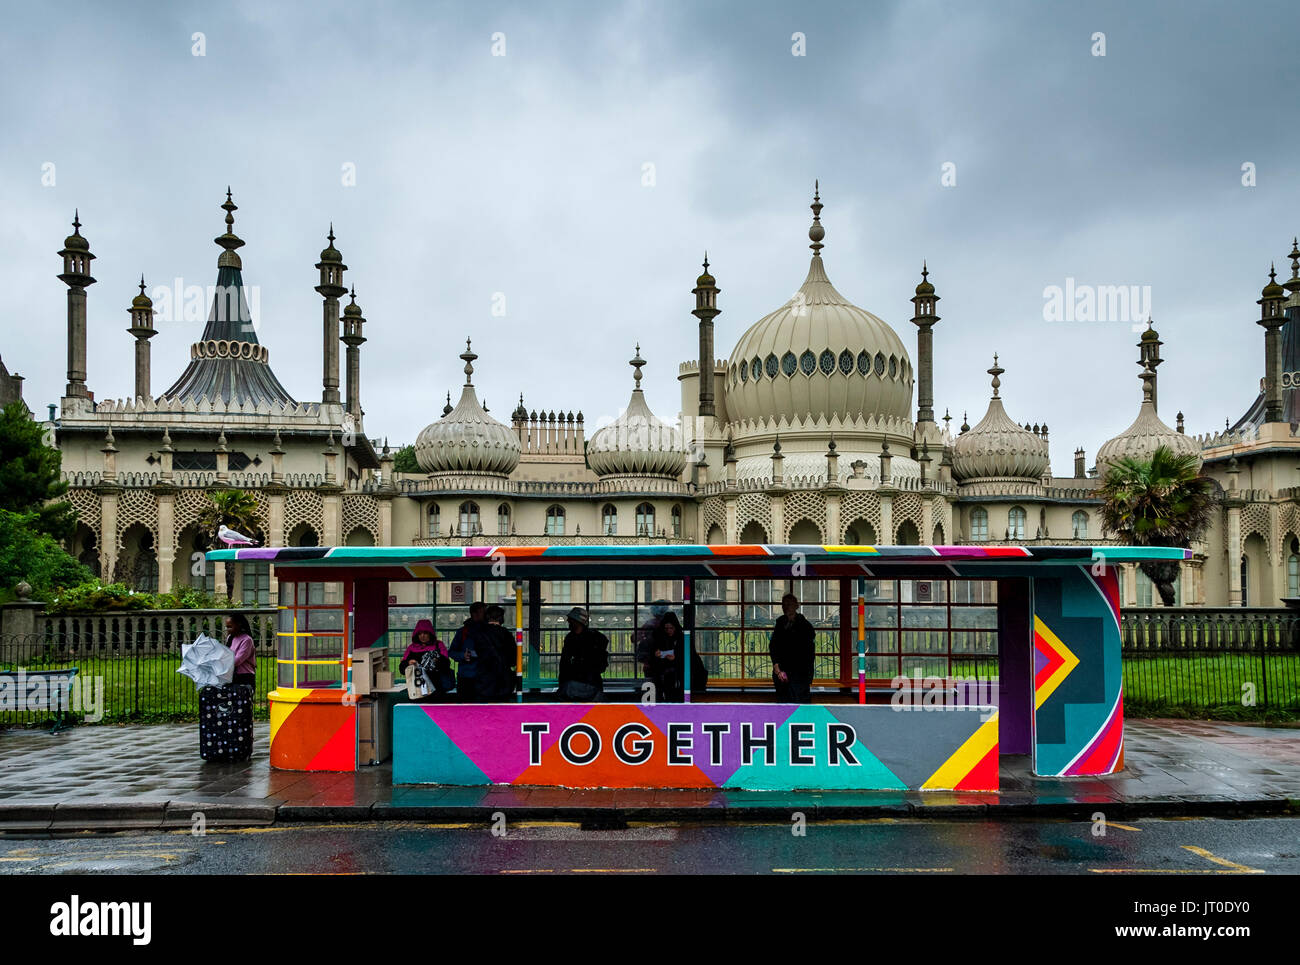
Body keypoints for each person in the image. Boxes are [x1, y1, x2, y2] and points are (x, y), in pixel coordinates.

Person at [769, 593, 815, 703]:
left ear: (796, 606)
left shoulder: (805, 626)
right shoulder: (780, 623)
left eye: (789, 604)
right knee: (783, 704)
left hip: (800, 674)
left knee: (800, 705)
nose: (786, 607)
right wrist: (776, 664)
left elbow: (807, 652)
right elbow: (773, 645)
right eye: (783, 605)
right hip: (782, 673)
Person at [556, 606, 608, 701]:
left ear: (577, 621)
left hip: (588, 685)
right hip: (586, 686)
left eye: (571, 619)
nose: (568, 621)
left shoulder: (593, 639)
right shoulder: (595, 637)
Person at [399, 618, 454, 699]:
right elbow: (402, 669)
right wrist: (408, 663)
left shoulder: (438, 645)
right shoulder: (411, 648)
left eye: (425, 633)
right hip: (417, 691)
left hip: (437, 690)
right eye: (420, 633)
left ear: (430, 634)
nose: (422, 636)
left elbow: (446, 665)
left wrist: (437, 661)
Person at [448, 601, 490, 700]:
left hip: (484, 676)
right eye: (483, 612)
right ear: (474, 614)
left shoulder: (490, 630)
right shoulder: (463, 632)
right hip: (467, 677)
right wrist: (463, 655)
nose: (486, 615)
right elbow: (451, 652)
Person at [479, 604, 519, 700]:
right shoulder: (506, 634)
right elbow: (513, 658)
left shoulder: (479, 633)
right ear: (501, 618)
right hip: (503, 677)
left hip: (485, 677)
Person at [224, 613, 257, 691]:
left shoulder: (247, 640)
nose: (227, 629)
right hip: (232, 676)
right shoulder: (230, 638)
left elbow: (237, 660)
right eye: (227, 627)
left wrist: (221, 662)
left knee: (242, 702)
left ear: (239, 625)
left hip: (244, 677)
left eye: (230, 627)